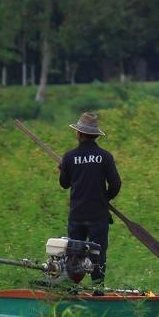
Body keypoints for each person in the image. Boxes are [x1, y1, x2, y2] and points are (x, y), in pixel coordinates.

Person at [59, 112, 121, 284]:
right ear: (95, 136)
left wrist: (63, 169)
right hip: (98, 214)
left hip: (77, 214)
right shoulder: (106, 157)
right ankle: (98, 289)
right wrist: (104, 199)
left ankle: (72, 288)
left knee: (74, 253)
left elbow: (64, 183)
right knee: (98, 253)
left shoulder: (69, 157)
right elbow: (115, 184)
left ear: (79, 134)